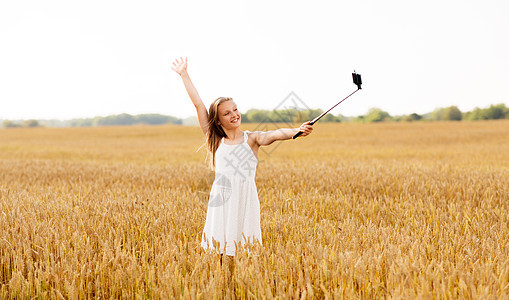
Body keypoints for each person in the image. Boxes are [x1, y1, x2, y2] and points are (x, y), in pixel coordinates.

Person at [171, 57, 313, 256]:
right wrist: (184, 74)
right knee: (219, 248)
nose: (234, 114)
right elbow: (199, 105)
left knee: (245, 249)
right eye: (227, 113)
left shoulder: (252, 139)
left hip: (246, 198)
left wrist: (296, 131)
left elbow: (274, 134)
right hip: (221, 198)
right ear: (218, 121)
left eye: (235, 109)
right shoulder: (215, 140)